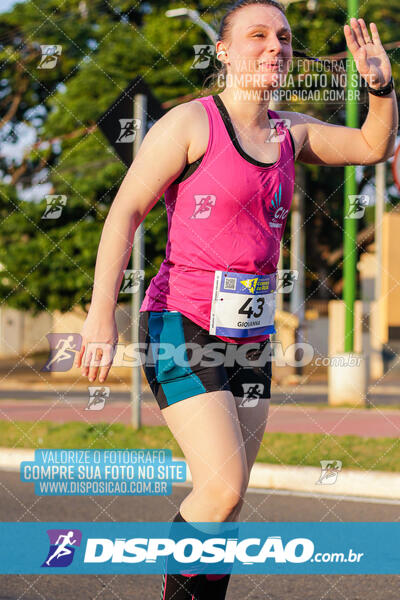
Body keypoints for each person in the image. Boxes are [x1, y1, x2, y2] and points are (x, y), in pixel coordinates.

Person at [74, 1, 397, 597]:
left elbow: (374, 145)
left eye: (284, 37)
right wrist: (100, 317)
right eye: (257, 35)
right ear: (223, 52)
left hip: (250, 337)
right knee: (220, 488)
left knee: (228, 500)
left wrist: (381, 87)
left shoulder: (289, 132)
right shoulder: (191, 124)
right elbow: (126, 212)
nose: (275, 46)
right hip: (180, 321)